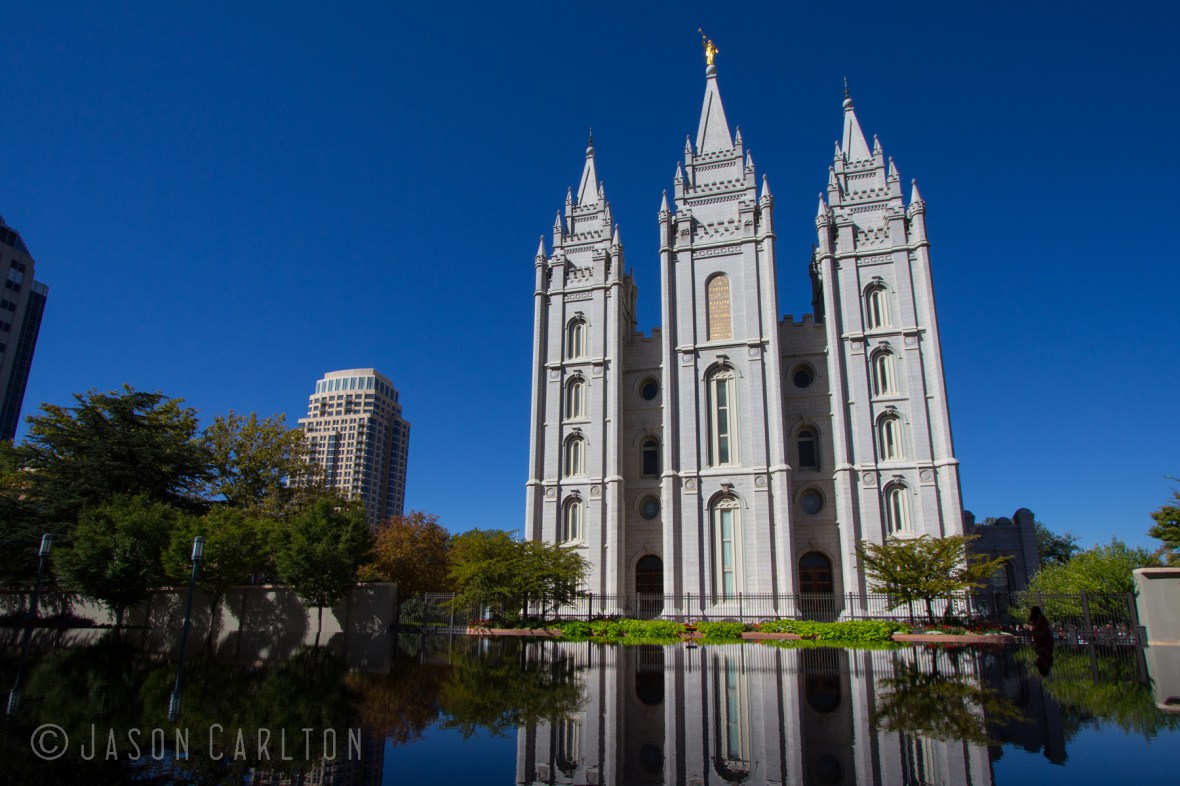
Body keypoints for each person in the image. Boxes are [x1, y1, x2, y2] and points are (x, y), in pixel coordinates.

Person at [1028, 605, 1054, 675]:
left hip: (1044, 644)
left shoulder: (1040, 620)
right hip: (1044, 644)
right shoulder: (1039, 620)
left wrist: (1036, 634)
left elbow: (1043, 633)